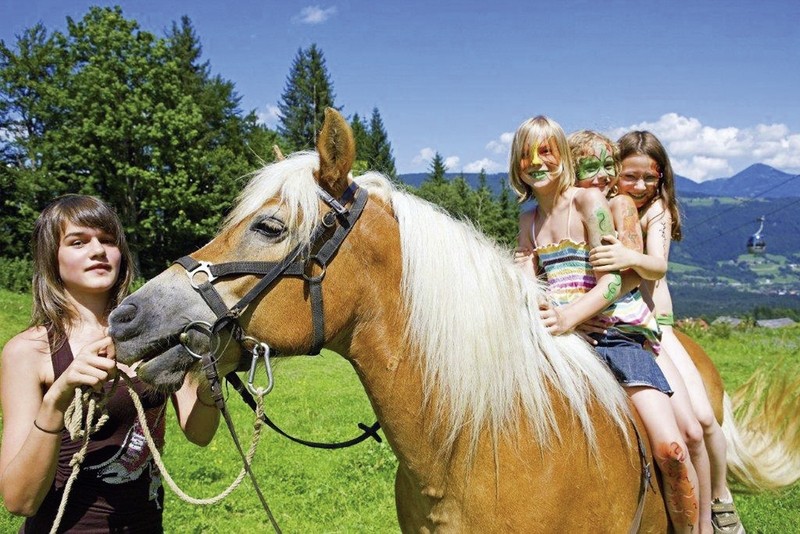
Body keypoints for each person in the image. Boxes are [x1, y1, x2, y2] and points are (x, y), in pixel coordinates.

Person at [511, 116, 699, 533]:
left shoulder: (587, 204)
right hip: (559, 335)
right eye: (526, 154)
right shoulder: (528, 220)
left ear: (563, 156)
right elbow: (531, 280)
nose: (536, 162)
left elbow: (612, 282)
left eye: (546, 151)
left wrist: (570, 317)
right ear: (516, 163)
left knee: (671, 448)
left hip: (611, 335)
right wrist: (542, 307)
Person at [0, 194, 220, 533]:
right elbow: (19, 501)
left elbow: (200, 433)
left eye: (108, 240)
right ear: (51, 258)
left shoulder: (160, 333)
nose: (98, 251)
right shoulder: (28, 351)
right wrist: (57, 400)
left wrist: (210, 378)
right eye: (78, 242)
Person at [586, 131, 744, 534]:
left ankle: (720, 501)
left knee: (701, 422)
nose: (639, 186)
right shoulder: (598, 204)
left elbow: (656, 266)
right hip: (625, 321)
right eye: (629, 176)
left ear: (661, 179)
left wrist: (627, 257)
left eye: (649, 178)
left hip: (656, 326)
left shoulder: (657, 210)